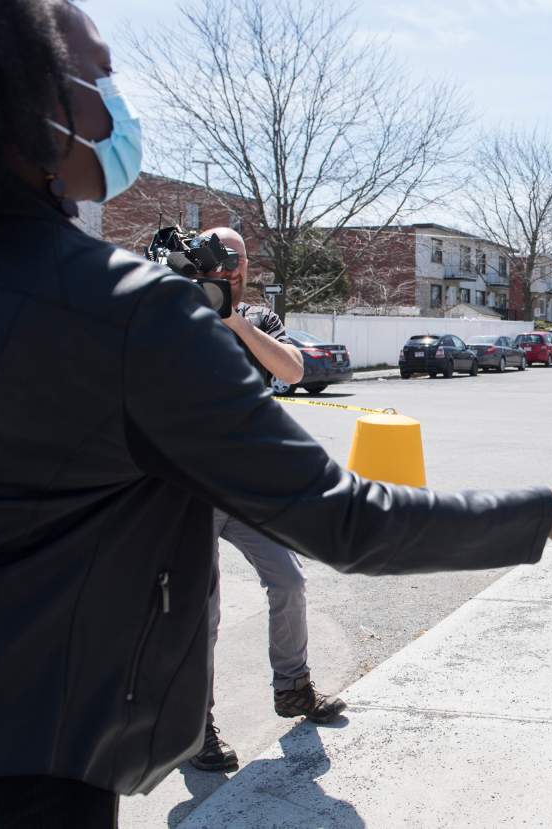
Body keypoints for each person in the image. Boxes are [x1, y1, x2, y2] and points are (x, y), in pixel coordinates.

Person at [0, 0, 552, 827]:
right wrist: (547, 512)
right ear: (36, 104)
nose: (118, 105)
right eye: (103, 77)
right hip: (5, 774)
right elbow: (345, 519)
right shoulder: (127, 312)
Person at [191, 227, 344, 774]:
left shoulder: (259, 319)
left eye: (239, 260)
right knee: (200, 613)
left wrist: (232, 318)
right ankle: (195, 727)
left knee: (290, 580)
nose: (231, 269)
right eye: (220, 261)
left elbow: (294, 370)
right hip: (189, 492)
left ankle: (294, 689)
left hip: (251, 489)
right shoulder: (173, 311)